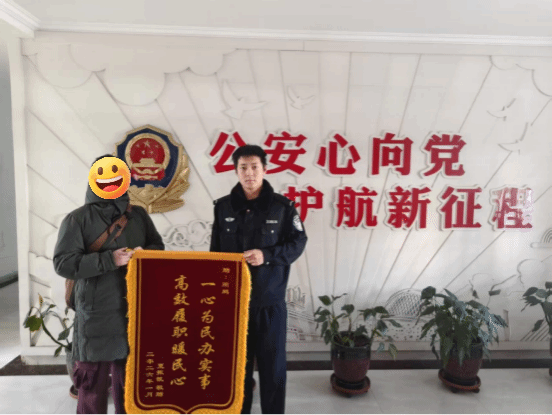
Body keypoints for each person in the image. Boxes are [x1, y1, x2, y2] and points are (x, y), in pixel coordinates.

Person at [53, 154, 165, 414]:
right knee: (92, 385)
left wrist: (145, 254)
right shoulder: (77, 219)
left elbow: (158, 247)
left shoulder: (138, 216)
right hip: (96, 314)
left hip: (133, 311)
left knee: (131, 386)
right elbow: (63, 263)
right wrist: (109, 260)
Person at [210, 145, 307, 414]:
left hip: (269, 303)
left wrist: (267, 255)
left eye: (254, 167)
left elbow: (298, 243)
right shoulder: (223, 207)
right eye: (243, 167)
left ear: (265, 169)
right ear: (236, 171)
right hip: (234, 305)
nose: (249, 173)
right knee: (237, 370)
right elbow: (215, 254)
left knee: (272, 370)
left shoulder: (282, 207)